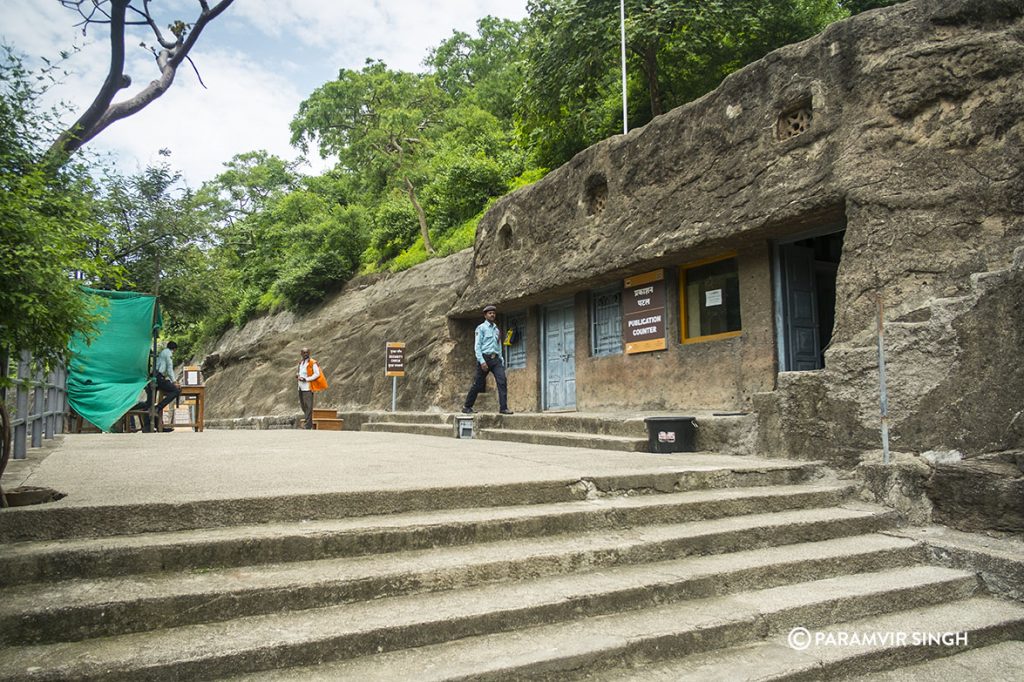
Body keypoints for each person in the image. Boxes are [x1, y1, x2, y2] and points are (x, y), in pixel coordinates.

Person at [463, 304, 513, 415]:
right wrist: (482, 361)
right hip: (484, 359)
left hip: (496, 360)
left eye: (494, 313)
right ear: (485, 315)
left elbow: (498, 345)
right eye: (490, 313)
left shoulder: (497, 330)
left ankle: (503, 408)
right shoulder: (481, 328)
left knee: (502, 381)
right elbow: (477, 346)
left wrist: (501, 359)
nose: (492, 315)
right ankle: (467, 406)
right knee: (478, 384)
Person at [296, 347, 322, 429]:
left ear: (309, 353)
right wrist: (298, 375)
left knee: (308, 406)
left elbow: (317, 374)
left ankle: (307, 425)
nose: (305, 354)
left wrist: (306, 379)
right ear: (301, 354)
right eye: (304, 353)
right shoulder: (301, 363)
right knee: (303, 406)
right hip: (300, 387)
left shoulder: (312, 363)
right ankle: (308, 423)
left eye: (307, 352)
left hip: (307, 387)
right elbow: (300, 373)